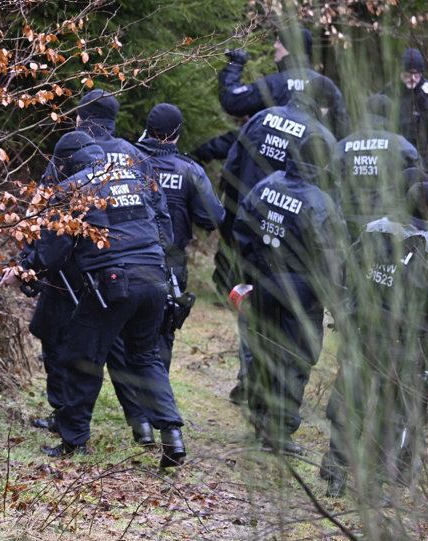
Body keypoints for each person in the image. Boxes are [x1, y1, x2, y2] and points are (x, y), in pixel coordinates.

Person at [0, 131, 186, 468]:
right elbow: (164, 226)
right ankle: (172, 436)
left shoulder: (72, 189)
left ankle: (73, 442)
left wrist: (24, 269)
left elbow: (52, 253)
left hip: (114, 284)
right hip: (154, 278)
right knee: (144, 356)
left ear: (67, 162)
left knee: (81, 357)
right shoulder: (136, 176)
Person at [27, 89, 168, 443]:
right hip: (133, 264)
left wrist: (31, 263)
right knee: (129, 349)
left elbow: (48, 215)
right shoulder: (134, 155)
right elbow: (158, 212)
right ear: (113, 119)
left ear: (80, 116)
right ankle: (143, 425)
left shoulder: (70, 150)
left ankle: (65, 417)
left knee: (69, 342)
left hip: (78, 269)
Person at [320, 181, 428, 496]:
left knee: (348, 404)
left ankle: (336, 473)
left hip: (362, 334)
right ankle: (375, 482)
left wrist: (346, 315)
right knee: (392, 414)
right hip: (403, 345)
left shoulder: (373, 230)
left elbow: (344, 275)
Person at [220, 89, 337, 405]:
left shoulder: (259, 118)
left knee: (257, 326)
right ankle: (275, 413)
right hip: (298, 265)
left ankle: (251, 387)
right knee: (297, 345)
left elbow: (233, 164)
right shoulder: (319, 136)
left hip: (259, 237)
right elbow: (328, 248)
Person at [233, 133, 347, 454]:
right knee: (295, 359)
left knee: (264, 348)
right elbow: (331, 260)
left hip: (263, 283)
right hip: (301, 292)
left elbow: (242, 229)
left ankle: (258, 418)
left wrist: (248, 276)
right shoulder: (320, 203)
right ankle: (279, 433)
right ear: (323, 162)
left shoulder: (266, 185)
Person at [123, 103, 223, 442]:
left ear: (147, 130)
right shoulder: (189, 170)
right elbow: (213, 217)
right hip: (170, 264)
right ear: (177, 133)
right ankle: (155, 414)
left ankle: (139, 421)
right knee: (160, 337)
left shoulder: (129, 161)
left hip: (128, 258)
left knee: (123, 337)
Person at [219, 24, 349, 138]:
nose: (275, 46)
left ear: (290, 47)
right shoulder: (328, 87)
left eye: (279, 42)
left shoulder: (274, 84)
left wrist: (235, 64)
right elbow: (342, 131)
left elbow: (232, 101)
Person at [337, 94, 418, 237]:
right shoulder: (402, 146)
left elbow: (331, 181)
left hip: (348, 220)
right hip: (388, 224)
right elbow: (418, 183)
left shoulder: (343, 145)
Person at [379, 47, 428, 178]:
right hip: (394, 159)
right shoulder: (389, 92)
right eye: (408, 74)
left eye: (416, 73)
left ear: (421, 73)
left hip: (425, 161)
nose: (413, 78)